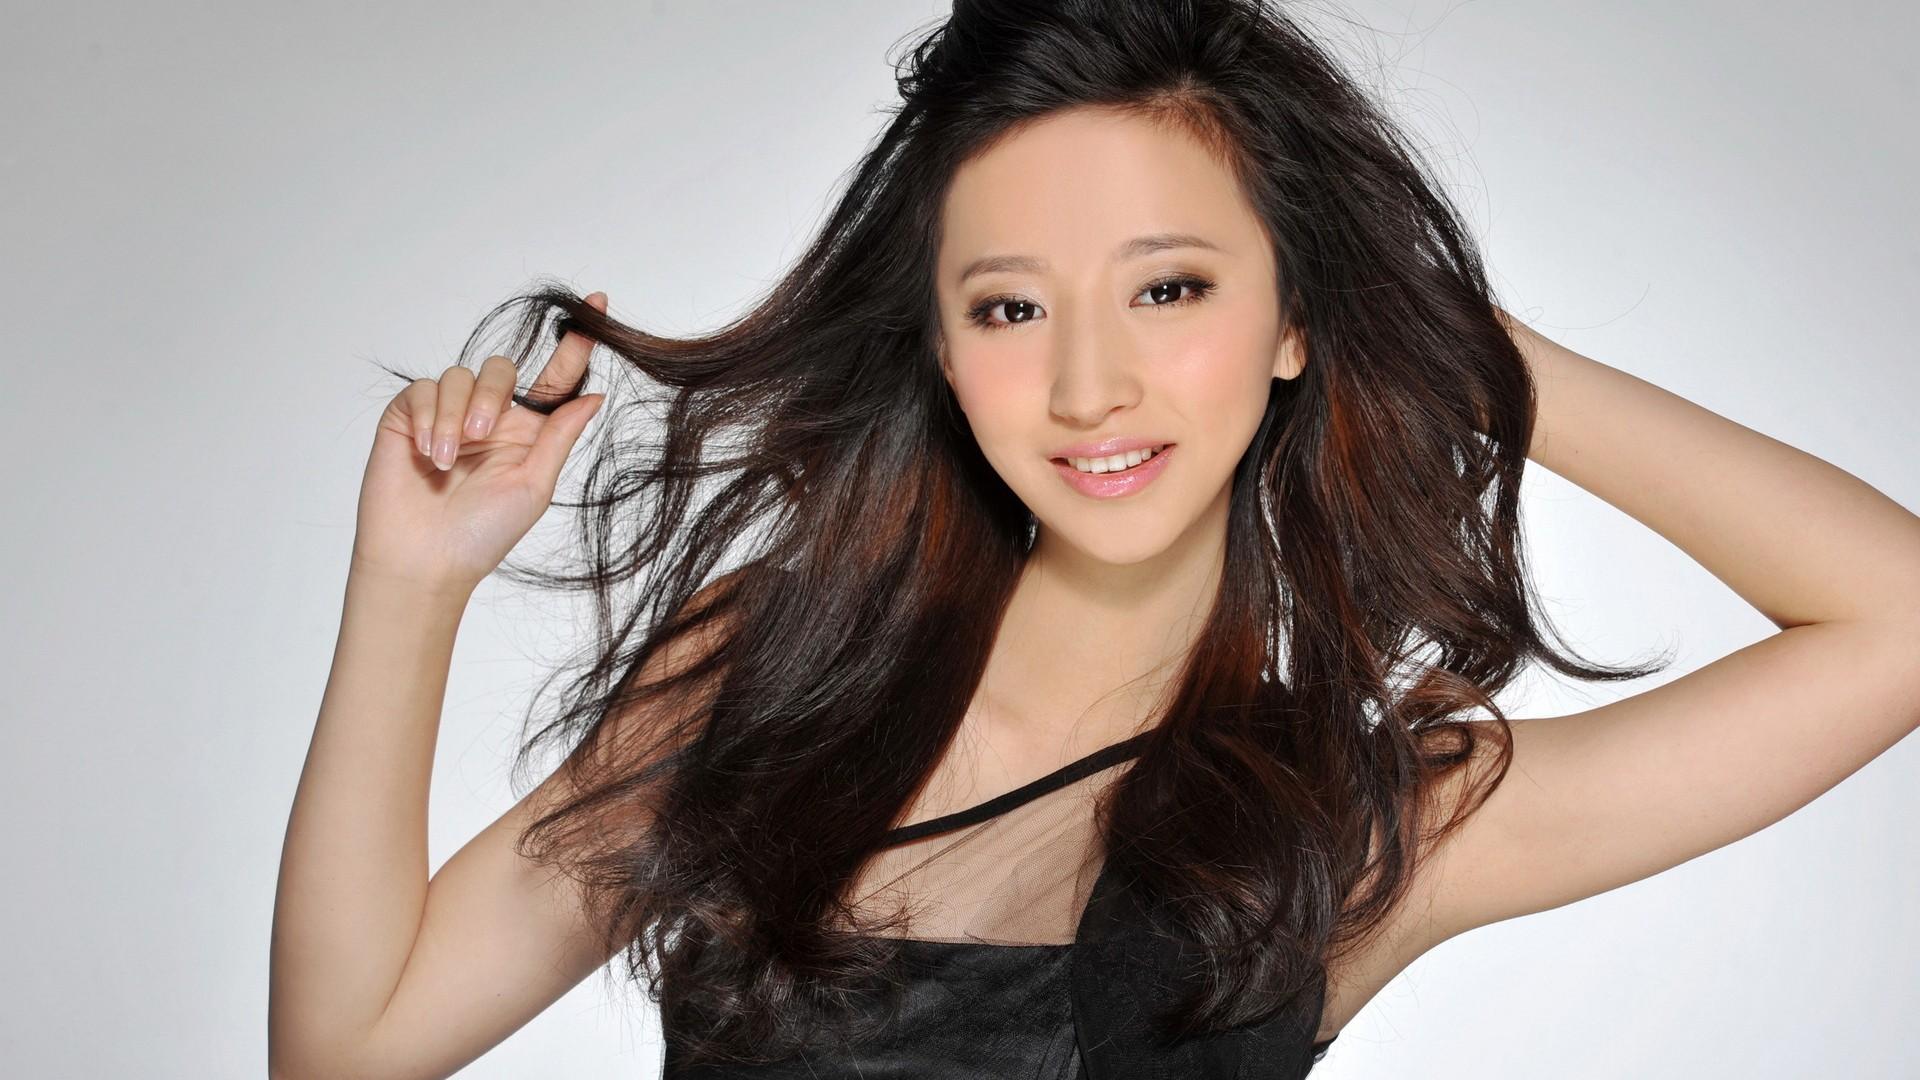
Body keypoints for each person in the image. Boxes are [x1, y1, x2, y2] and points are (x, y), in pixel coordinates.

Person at [268, 2, 1920, 1078]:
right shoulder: (763, 679)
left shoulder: (1349, 826)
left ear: (1297, 318)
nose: (1086, 386)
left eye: (1170, 287)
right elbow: (345, 1052)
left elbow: (1895, 621)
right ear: (940, 343)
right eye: (1011, 306)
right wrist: (412, 580)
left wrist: (1466, 349)